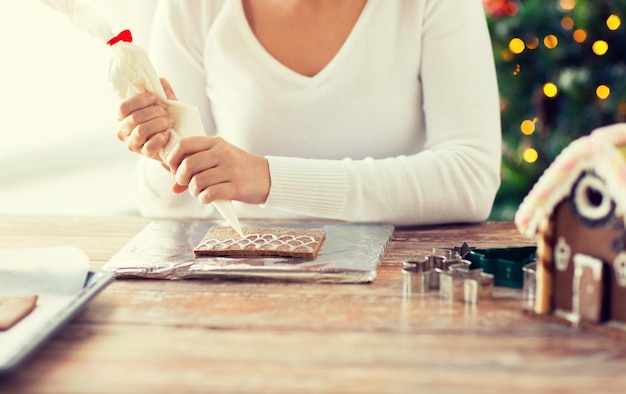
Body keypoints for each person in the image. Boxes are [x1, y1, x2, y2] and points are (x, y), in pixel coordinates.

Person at [116, 0, 501, 226]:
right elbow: (170, 208)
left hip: (404, 284)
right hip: (247, 288)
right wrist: (167, 158)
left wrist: (268, 178)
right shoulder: (192, 7)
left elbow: (470, 178)